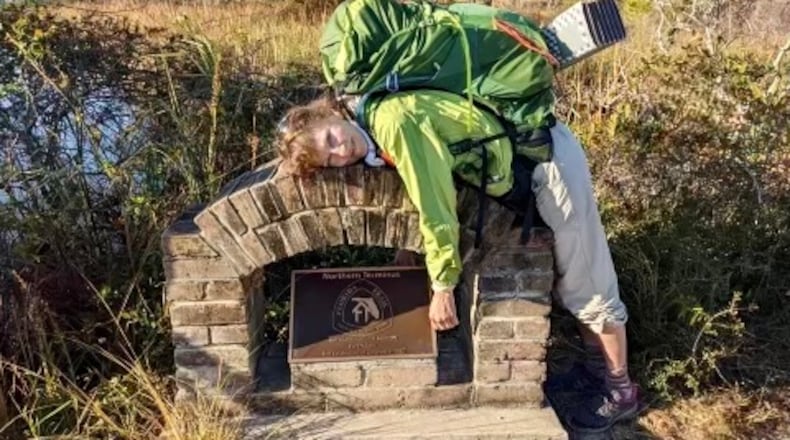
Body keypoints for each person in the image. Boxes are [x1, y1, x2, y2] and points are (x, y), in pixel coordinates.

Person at [276, 88, 638, 433]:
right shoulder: (369, 120)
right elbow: (422, 186)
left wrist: (443, 286)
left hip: (549, 166)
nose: (342, 153)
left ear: (327, 114)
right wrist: (408, 253)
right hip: (528, 165)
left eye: (330, 140)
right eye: (331, 160)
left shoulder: (391, 122)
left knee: (586, 281)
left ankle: (620, 389)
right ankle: (594, 371)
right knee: (569, 279)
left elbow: (437, 209)